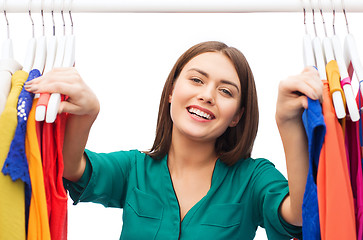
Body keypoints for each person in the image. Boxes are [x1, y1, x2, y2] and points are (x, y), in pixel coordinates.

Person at [25, 41, 322, 239]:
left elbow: (298, 215)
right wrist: (86, 115)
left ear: (237, 116)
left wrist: (288, 123)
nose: (207, 95)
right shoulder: (134, 169)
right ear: (171, 91)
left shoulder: (253, 178)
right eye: (196, 79)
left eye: (226, 91)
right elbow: (69, 167)